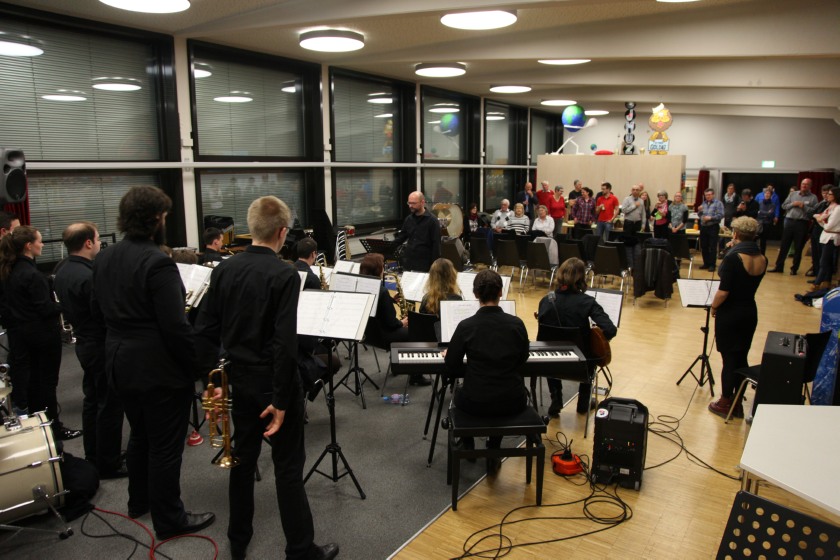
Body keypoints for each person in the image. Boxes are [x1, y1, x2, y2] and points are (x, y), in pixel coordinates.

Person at [194, 196, 338, 560]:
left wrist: (211, 383)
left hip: (237, 380)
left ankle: (238, 540)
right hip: (274, 383)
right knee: (288, 468)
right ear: (283, 232)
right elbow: (283, 343)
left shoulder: (223, 269)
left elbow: (205, 331)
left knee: (242, 461)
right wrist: (280, 399)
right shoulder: (284, 274)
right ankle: (300, 550)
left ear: (251, 227)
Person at [92, 186, 214, 540]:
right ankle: (169, 519)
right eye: (164, 216)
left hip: (118, 361)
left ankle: (138, 501)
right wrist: (200, 371)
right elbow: (176, 328)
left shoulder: (105, 257)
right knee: (165, 446)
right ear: (155, 219)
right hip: (157, 368)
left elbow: (98, 311)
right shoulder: (158, 262)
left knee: (140, 435)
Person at [53, 222, 126, 477]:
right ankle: (109, 462)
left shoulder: (63, 269)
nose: (99, 244)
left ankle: (94, 455)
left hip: (84, 342)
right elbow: (104, 314)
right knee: (109, 404)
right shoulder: (89, 275)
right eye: (97, 240)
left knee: (93, 400)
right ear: (88, 243)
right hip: (99, 344)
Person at [443, 269, 530, 475]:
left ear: (475, 294)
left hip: (476, 402)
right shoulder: (516, 324)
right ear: (500, 292)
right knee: (502, 392)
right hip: (512, 401)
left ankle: (468, 445)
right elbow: (523, 358)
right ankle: (494, 448)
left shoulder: (466, 326)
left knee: (460, 394)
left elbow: (452, 367)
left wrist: (472, 368)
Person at [0, 226, 81, 438]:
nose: (42, 244)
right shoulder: (32, 275)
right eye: (39, 241)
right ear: (29, 246)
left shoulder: (8, 270)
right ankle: (54, 428)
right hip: (42, 335)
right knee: (47, 383)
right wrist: (64, 305)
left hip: (21, 334)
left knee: (33, 383)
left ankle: (39, 427)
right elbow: (45, 309)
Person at [537, 258, 616, 416]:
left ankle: (556, 399)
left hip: (550, 363)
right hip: (580, 366)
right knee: (588, 354)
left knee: (554, 347)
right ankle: (583, 404)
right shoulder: (587, 302)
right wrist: (595, 334)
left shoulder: (546, 300)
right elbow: (610, 330)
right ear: (581, 278)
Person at [708, 217, 767, 419]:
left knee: (728, 359)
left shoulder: (733, 258)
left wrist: (713, 307)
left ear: (736, 234)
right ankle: (737, 401)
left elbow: (724, 292)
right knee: (741, 356)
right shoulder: (762, 257)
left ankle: (725, 402)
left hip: (730, 313)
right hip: (749, 311)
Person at [359, 253, 427, 387]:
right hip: (383, 336)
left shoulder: (363, 286)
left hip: (368, 334)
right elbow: (391, 324)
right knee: (416, 333)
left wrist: (390, 300)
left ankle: (396, 365)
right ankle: (416, 376)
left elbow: (376, 307)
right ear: (378, 270)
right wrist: (403, 322)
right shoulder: (383, 291)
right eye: (382, 267)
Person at [768, 178, 817, 275]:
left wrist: (803, 206)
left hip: (802, 223)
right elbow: (784, 206)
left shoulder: (813, 197)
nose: (804, 186)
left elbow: (814, 212)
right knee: (784, 246)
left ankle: (794, 269)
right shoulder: (793, 194)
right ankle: (779, 267)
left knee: (798, 247)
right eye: (803, 184)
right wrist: (793, 204)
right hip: (789, 222)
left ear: (810, 186)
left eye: (806, 184)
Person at [393, 191, 440, 272]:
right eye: (409, 203)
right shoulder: (408, 219)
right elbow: (401, 238)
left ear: (422, 202)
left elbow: (436, 245)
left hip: (425, 264)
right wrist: (385, 247)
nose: (410, 206)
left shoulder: (432, 221)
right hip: (409, 262)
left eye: (413, 203)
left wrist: (434, 266)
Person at [808, 185, 840, 291]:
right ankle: (826, 282)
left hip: (831, 237)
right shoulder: (830, 206)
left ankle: (817, 284)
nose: (827, 196)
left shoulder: (838, 208)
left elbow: (829, 226)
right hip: (826, 235)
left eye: (830, 194)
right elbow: (822, 220)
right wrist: (819, 218)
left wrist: (820, 220)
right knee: (826, 261)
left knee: (824, 261)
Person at [806, 184, 833, 278]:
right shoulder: (821, 202)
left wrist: (816, 216)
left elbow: (821, 217)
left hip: (823, 230)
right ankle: (816, 271)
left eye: (827, 193)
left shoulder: (831, 205)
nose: (825, 195)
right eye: (823, 193)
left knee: (821, 253)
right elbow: (810, 213)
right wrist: (815, 216)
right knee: (815, 253)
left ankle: (821, 276)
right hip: (815, 229)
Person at [697, 188, 724, 271]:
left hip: (713, 227)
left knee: (712, 247)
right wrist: (699, 211)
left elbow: (721, 215)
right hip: (703, 227)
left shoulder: (718, 203)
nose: (707, 196)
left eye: (709, 195)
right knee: (704, 246)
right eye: (706, 195)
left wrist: (710, 218)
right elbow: (699, 215)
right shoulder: (703, 203)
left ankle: (712, 265)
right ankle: (706, 263)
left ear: (713, 195)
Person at [756, 186, 777, 255]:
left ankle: (762, 255)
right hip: (759, 223)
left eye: (768, 193)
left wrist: (762, 212)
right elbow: (758, 213)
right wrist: (766, 213)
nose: (767, 194)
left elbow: (770, 214)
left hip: (767, 224)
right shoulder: (760, 203)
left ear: (771, 195)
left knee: (763, 241)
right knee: (755, 239)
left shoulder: (773, 205)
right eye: (766, 193)